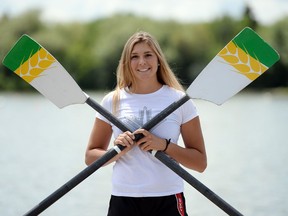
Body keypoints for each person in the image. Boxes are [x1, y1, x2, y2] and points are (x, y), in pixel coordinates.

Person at [85, 31, 207, 216]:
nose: (142, 62)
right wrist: (118, 150)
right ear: (127, 62)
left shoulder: (180, 101)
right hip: (124, 198)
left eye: (148, 55)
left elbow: (200, 163)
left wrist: (164, 146)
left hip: (167, 197)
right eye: (134, 57)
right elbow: (90, 157)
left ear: (158, 60)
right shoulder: (112, 101)